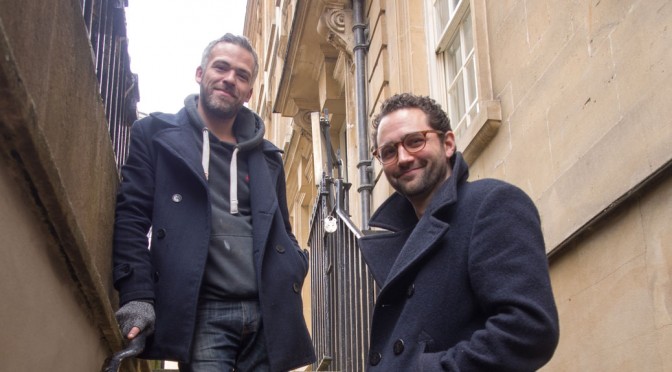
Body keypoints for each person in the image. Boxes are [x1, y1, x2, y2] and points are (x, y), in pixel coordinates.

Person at [112, 33, 316, 372]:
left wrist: (295, 263)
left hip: (268, 313)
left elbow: (282, 230)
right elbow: (132, 217)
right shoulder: (156, 135)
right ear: (200, 73)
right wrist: (137, 295)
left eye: (241, 75)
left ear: (249, 92)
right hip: (202, 312)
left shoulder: (268, 157)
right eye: (221, 67)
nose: (229, 79)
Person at [358, 93, 559, 371]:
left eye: (415, 141)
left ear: (448, 143)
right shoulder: (404, 238)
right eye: (388, 152)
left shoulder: (492, 203)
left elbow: (528, 330)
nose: (403, 158)